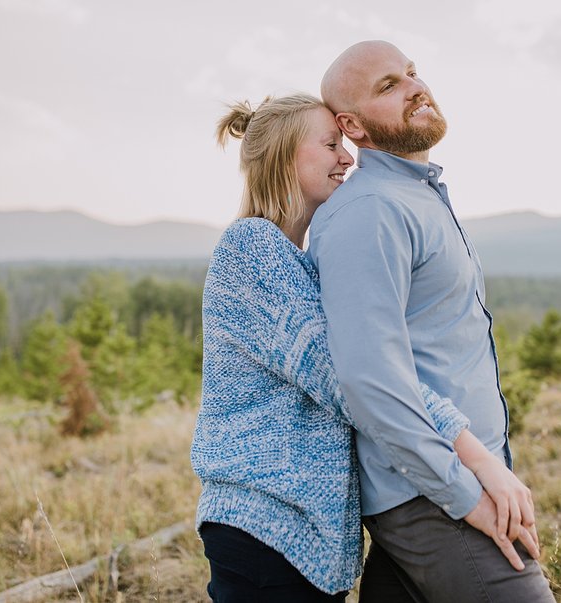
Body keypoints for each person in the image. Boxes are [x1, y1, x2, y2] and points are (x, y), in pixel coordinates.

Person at [191, 93, 495, 601]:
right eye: (331, 144)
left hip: (304, 535)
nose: (348, 158)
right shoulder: (252, 251)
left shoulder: (297, 260)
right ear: (285, 156)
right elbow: (354, 379)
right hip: (264, 526)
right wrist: (475, 459)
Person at [309, 41, 556, 601]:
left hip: (453, 482)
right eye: (388, 86)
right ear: (354, 126)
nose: (416, 87)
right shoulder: (369, 212)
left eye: (412, 73)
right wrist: (465, 495)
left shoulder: (417, 198)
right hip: (435, 495)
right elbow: (371, 380)